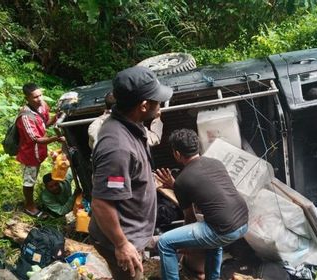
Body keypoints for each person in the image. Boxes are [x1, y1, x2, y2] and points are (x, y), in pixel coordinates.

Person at [89, 66, 173, 280]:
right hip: (121, 238)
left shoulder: (132, 124)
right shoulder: (117, 147)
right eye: (157, 100)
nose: (160, 104)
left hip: (133, 232)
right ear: (144, 105)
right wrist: (122, 244)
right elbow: (101, 203)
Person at [155, 129, 249, 280]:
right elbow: (205, 188)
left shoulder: (183, 180)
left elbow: (190, 218)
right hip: (243, 223)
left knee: (165, 243)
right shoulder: (216, 163)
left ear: (177, 154)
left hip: (224, 229)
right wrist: (175, 185)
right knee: (214, 240)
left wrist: (186, 244)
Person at [16, 83, 65, 218]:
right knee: (29, 180)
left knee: (33, 177)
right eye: (35, 97)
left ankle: (31, 202)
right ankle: (29, 206)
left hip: (40, 151)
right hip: (29, 154)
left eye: (40, 95)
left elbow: (45, 123)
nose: (39, 99)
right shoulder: (25, 117)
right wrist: (56, 138)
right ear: (27, 98)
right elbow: (36, 139)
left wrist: (56, 117)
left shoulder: (42, 106)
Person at [88, 92, 164, 149]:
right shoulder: (130, 122)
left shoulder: (94, 125)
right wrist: (157, 119)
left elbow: (93, 145)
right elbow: (154, 139)